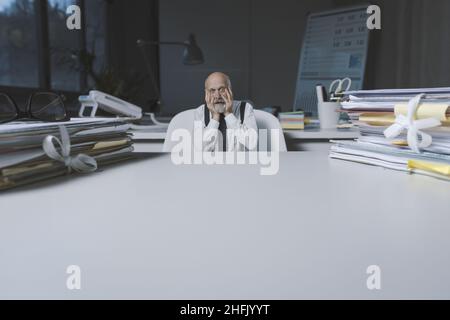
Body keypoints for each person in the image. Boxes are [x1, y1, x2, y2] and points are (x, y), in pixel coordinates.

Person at [194, 72, 258, 152]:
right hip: (211, 164)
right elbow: (200, 149)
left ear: (230, 90)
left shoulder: (245, 108)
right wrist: (215, 117)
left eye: (221, 89)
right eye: (212, 90)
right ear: (206, 93)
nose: (217, 96)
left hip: (239, 163)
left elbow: (252, 143)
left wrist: (229, 114)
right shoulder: (200, 112)